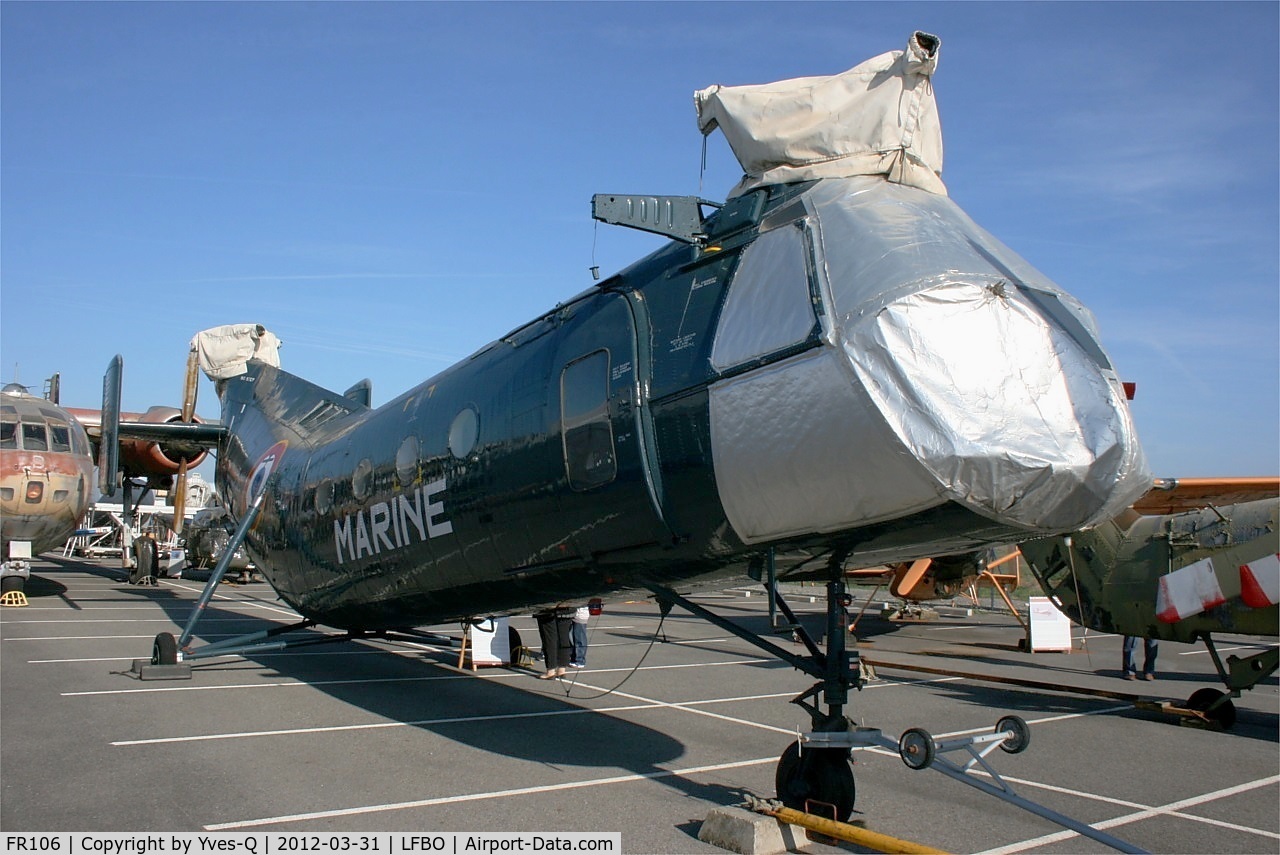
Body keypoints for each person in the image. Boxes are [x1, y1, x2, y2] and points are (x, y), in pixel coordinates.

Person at [535, 607, 574, 679]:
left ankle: (551, 671)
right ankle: (562, 670)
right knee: (564, 637)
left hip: (548, 610)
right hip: (566, 607)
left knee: (549, 639)